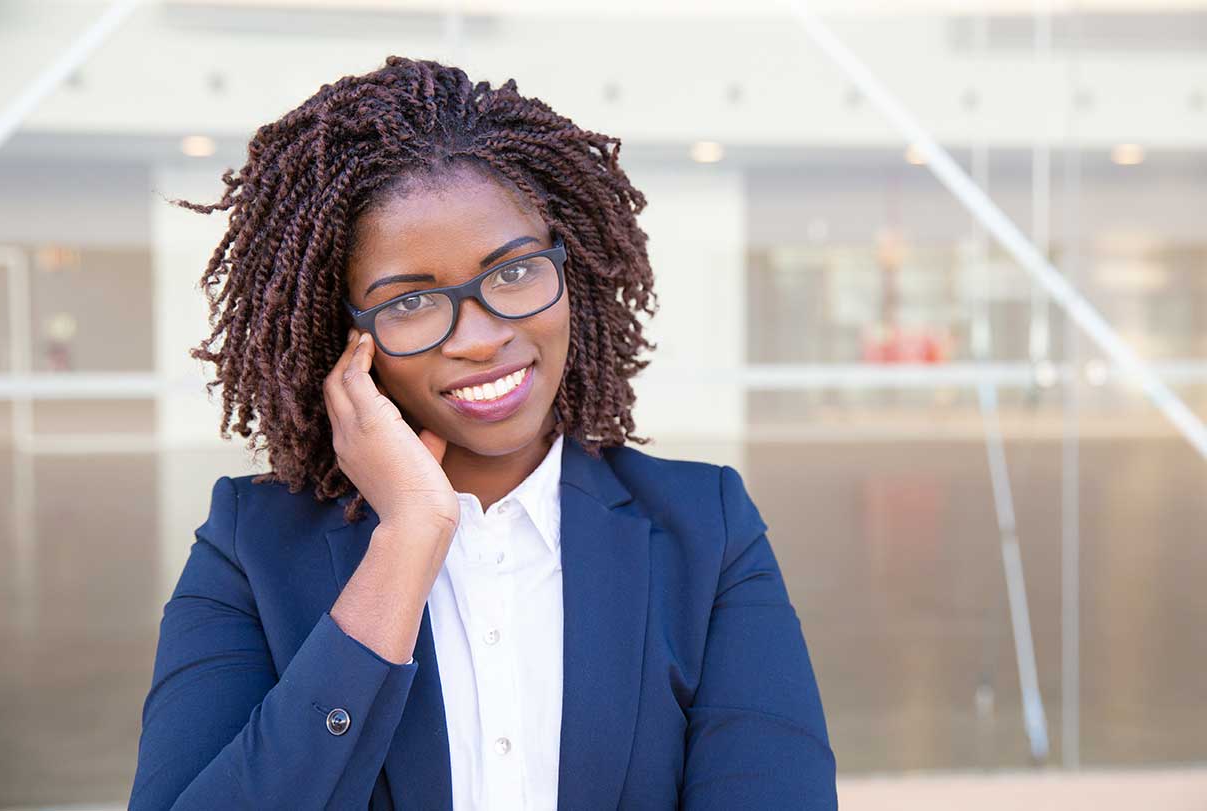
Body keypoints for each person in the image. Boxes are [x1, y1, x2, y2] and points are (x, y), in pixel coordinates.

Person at [128, 55, 836, 810]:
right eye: (411, 303)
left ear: (573, 273)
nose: (480, 335)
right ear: (345, 338)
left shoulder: (708, 528)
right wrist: (406, 542)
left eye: (513, 272)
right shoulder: (253, 546)